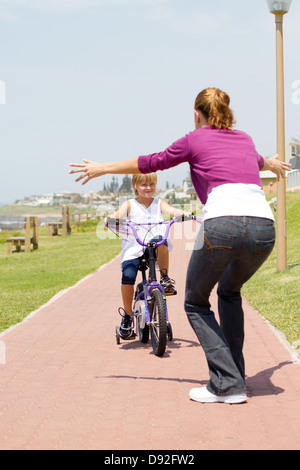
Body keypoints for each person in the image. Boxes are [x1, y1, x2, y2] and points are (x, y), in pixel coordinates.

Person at [70, 87, 290, 404]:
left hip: (223, 225)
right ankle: (235, 378)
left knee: (196, 302)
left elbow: (152, 162)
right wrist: (272, 163)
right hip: (263, 229)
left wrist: (103, 168)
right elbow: (257, 161)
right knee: (229, 291)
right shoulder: (243, 138)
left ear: (197, 114)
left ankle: (226, 384)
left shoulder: (194, 138)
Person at [105, 172, 187, 339]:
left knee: (161, 241)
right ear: (135, 186)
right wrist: (112, 218)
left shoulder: (159, 203)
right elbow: (118, 214)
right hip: (133, 248)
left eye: (152, 184)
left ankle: (164, 278)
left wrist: (181, 213)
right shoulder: (129, 204)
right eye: (143, 184)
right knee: (128, 277)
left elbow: (170, 210)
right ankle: (127, 316)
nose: (148, 188)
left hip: (153, 247)